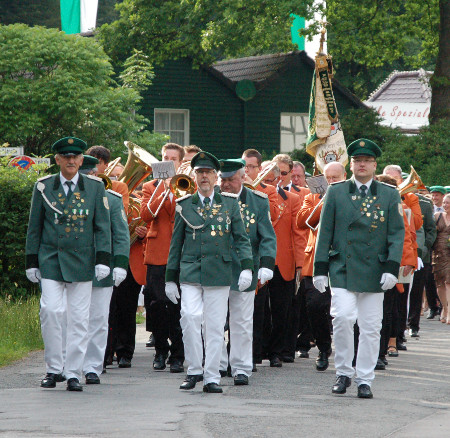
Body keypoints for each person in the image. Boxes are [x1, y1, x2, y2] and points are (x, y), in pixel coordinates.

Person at [313, 138, 404, 399]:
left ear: (375, 165)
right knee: (342, 318)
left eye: (366, 160)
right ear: (350, 164)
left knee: (371, 326)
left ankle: (364, 378)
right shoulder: (337, 191)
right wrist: (320, 268)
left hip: (374, 269)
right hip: (342, 266)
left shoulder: (388, 194)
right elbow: (325, 232)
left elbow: (396, 233)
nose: (361, 164)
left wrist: (391, 267)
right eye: (356, 160)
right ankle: (343, 372)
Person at [25, 137, 111, 391]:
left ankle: (73, 372)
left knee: (78, 318)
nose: (71, 160)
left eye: (76, 157)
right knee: (51, 311)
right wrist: (32, 261)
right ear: (58, 160)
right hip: (51, 258)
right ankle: (54, 369)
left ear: (82, 160)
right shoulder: (43, 187)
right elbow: (34, 227)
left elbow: (102, 227)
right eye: (66, 156)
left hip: (82, 260)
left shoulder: (95, 187)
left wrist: (103, 260)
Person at [165, 151, 253, 393]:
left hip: (219, 272)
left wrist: (247, 267)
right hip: (191, 271)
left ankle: (212, 376)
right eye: (200, 172)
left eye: (208, 172)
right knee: (190, 318)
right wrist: (170, 279)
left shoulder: (230, 204)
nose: (204, 176)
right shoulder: (184, 205)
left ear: (216, 177)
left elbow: (242, 239)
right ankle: (194, 369)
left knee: (214, 326)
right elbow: (176, 244)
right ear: (194, 177)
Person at [218, 159, 276, 385]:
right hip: (217, 267)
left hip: (245, 267)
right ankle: (219, 364)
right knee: (213, 322)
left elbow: (267, 236)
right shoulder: (211, 199)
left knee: (242, 321)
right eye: (222, 179)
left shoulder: (258, 201)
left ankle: (241, 367)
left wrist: (266, 265)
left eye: (230, 179)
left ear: (243, 178)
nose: (225, 184)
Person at [80, 156, 130, 384]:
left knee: (98, 319)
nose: (89, 178)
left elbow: (120, 235)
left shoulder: (112, 199)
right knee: (70, 318)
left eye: (91, 174)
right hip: (74, 268)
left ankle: (92, 365)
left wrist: (119, 264)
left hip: (103, 269)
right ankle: (66, 364)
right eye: (85, 174)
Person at [296, 161, 347, 371]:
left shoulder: (350, 198)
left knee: (344, 311)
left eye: (336, 178)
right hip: (316, 260)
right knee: (315, 306)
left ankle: (347, 352)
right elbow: (302, 221)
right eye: (328, 178)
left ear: (345, 177)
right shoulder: (312, 197)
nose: (332, 181)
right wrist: (324, 202)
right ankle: (324, 347)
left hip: (343, 260)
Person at [140, 143, 186, 373]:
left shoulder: (188, 185)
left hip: (181, 254)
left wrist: (176, 189)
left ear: (180, 163)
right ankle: (160, 350)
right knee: (157, 305)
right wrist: (163, 189)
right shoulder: (150, 187)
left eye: (173, 159)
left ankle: (178, 353)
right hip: (157, 253)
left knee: (178, 306)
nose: (168, 162)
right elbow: (146, 214)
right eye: (165, 158)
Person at [260, 163, 305, 367]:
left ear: (278, 180)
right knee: (259, 310)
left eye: (270, 180)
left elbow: (298, 234)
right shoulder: (253, 196)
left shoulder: (293, 199)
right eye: (264, 180)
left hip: (284, 262)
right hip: (259, 260)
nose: (267, 184)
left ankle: (276, 351)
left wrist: (300, 264)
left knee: (281, 310)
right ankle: (258, 349)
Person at [85, 145, 130, 212]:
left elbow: (121, 212)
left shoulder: (119, 186)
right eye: (91, 163)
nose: (93, 167)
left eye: (98, 163)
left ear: (106, 165)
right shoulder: (81, 182)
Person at [241, 149, 279, 221]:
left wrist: (253, 190)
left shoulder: (269, 190)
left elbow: (273, 215)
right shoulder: (234, 186)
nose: (246, 169)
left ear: (260, 168)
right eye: (243, 165)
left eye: (251, 166)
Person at [432, 193, 450, 323]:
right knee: (440, 283)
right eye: (444, 202)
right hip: (438, 253)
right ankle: (445, 307)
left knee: (449, 282)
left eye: (447, 203)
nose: (445, 205)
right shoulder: (437, 217)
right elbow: (431, 233)